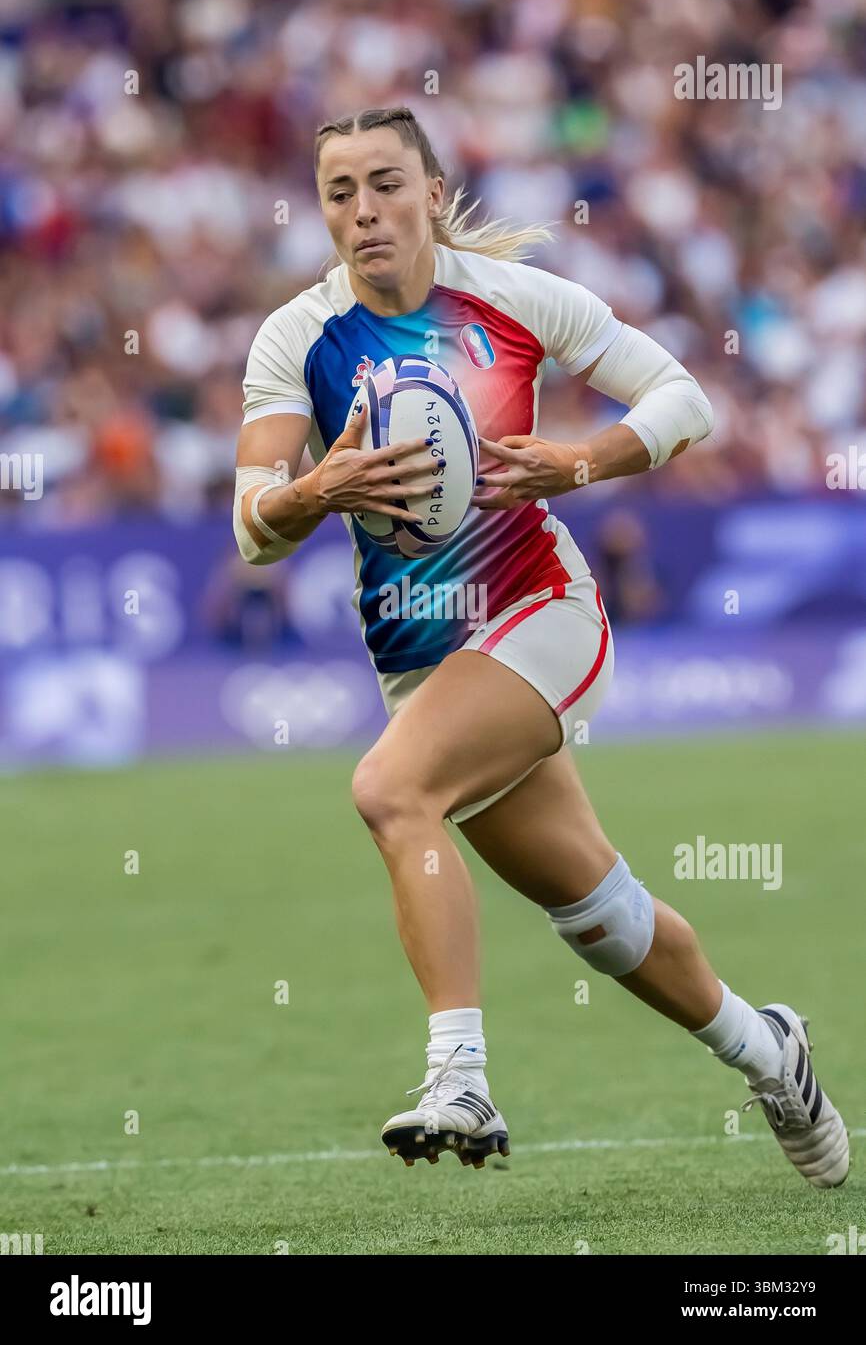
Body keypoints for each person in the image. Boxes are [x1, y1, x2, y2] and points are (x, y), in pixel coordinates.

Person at [233, 106, 847, 1187]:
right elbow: (252, 529)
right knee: (598, 915)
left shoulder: (513, 299)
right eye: (339, 192)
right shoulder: (296, 338)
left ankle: (458, 1077)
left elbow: (682, 397)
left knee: (389, 791)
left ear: (430, 188)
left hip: (540, 608)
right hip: (422, 664)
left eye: (385, 183)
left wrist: (581, 461)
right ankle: (769, 1051)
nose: (364, 211)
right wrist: (306, 492)